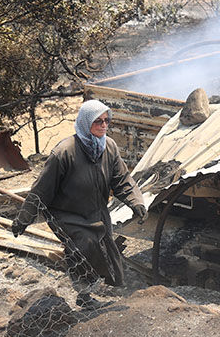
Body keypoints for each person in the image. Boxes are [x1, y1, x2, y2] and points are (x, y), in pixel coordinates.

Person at [11, 99, 146, 308]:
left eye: (106, 121)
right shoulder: (64, 152)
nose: (103, 126)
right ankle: (84, 296)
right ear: (85, 123)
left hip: (97, 211)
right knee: (82, 246)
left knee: (105, 246)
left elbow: (122, 180)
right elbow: (41, 190)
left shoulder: (108, 147)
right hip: (67, 214)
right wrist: (23, 219)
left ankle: (91, 290)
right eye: (97, 122)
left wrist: (136, 202)